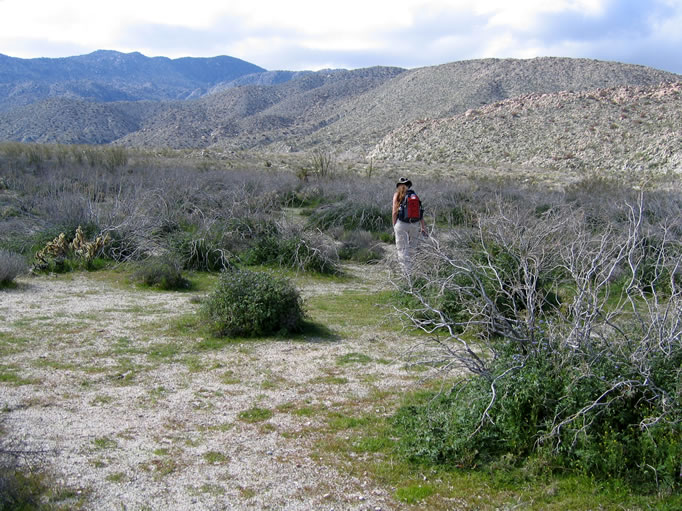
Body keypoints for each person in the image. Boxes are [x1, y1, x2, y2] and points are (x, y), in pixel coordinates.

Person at [392, 177, 426, 273]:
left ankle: (406, 274)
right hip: (414, 224)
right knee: (412, 248)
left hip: (401, 224)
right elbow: (420, 212)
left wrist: (394, 224)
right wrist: (423, 226)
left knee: (402, 249)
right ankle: (413, 270)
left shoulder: (397, 195)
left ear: (398, 186)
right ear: (408, 185)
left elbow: (394, 212)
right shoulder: (414, 195)